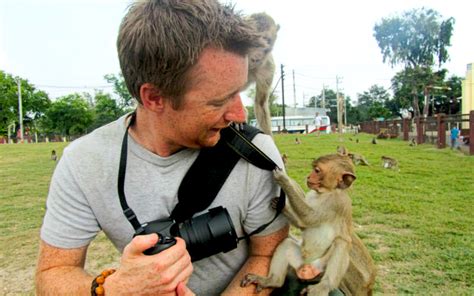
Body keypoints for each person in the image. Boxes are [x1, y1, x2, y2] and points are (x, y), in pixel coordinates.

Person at [35, 1, 289, 295]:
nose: (240, 116)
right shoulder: (84, 162)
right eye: (219, 101)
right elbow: (53, 273)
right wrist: (114, 289)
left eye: (239, 93)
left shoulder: (256, 154)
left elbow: (268, 255)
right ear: (154, 98)